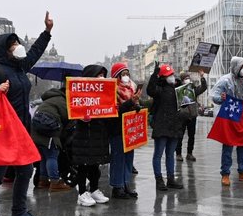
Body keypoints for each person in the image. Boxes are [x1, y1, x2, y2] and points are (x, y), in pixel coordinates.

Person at [0, 12, 53, 216]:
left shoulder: (20, 69)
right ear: (3, 50)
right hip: (1, 133)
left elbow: (35, 53)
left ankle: (19, 211)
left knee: (26, 170)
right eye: (13, 45)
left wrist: (46, 32)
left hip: (21, 131)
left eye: (17, 43)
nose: (18, 47)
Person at [65, 64, 111, 206]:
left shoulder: (105, 94)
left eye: (103, 75)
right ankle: (82, 192)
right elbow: (72, 111)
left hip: (98, 135)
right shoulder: (79, 94)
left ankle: (94, 189)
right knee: (83, 166)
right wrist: (81, 116)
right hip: (84, 137)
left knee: (95, 166)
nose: (102, 78)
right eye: (99, 75)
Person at [210, 56, 243, 186]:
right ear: (235, 66)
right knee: (228, 145)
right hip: (230, 115)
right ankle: (225, 173)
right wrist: (221, 98)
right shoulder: (225, 80)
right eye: (241, 66)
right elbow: (214, 95)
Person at [28, 83, 74, 193]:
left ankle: (43, 181)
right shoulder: (62, 101)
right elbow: (68, 118)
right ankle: (55, 182)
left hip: (36, 131)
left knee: (44, 156)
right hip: (49, 131)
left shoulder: (50, 99)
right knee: (52, 155)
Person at [147, 63, 184, 191]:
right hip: (161, 126)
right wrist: (155, 74)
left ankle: (171, 179)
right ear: (163, 77)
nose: (172, 77)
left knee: (170, 154)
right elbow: (150, 90)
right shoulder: (159, 89)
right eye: (169, 75)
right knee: (158, 154)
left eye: (172, 74)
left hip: (174, 126)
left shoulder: (178, 89)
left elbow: (191, 94)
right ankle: (159, 180)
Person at [108, 62, 142, 199]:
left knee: (129, 158)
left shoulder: (130, 89)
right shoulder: (112, 90)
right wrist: (131, 103)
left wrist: (137, 106)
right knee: (118, 158)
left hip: (129, 129)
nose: (126, 77)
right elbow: (115, 111)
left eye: (127, 74)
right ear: (117, 76)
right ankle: (117, 186)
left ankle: (126, 183)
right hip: (116, 129)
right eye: (123, 74)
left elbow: (130, 106)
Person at [175, 71, 208, 162]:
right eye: (185, 78)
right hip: (181, 116)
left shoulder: (193, 89)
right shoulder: (178, 89)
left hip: (192, 116)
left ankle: (189, 153)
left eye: (188, 78)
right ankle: (178, 154)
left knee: (191, 135)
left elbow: (203, 87)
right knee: (180, 136)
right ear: (182, 80)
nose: (187, 79)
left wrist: (202, 77)